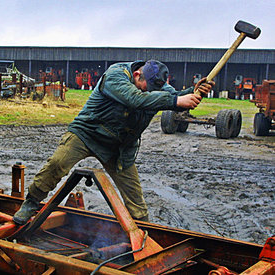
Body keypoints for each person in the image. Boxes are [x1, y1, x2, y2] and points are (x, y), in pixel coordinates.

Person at [13, 60, 214, 225]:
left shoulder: (155, 84)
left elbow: (173, 97)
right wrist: (175, 101)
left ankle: (142, 233)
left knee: (136, 200)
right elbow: (135, 99)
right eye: (147, 88)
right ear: (137, 75)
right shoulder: (115, 75)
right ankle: (31, 203)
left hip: (119, 147)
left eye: (155, 89)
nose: (150, 92)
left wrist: (193, 92)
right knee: (57, 164)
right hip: (87, 134)